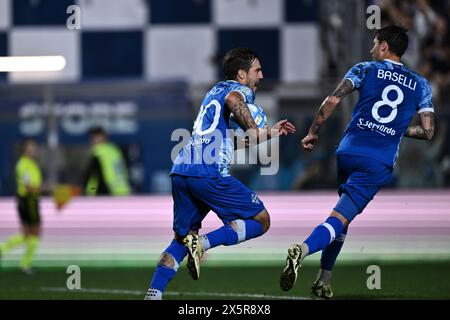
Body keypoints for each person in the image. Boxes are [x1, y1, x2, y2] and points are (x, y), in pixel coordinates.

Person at [280, 25, 435, 298]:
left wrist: (313, 131)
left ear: (385, 46)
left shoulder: (365, 69)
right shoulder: (420, 84)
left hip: (349, 150)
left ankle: (323, 280)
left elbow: (332, 101)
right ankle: (301, 250)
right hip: (378, 160)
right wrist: (399, 130)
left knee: (343, 218)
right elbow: (428, 131)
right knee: (339, 217)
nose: (371, 48)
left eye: (375, 43)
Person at [145, 48, 296, 300]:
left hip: (182, 170)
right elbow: (235, 100)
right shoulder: (238, 92)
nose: (261, 76)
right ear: (241, 74)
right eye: (256, 70)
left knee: (180, 240)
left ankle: (153, 294)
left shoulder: (214, 90)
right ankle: (202, 244)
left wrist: (268, 132)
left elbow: (235, 141)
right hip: (208, 172)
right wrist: (255, 127)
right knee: (261, 220)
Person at [0, 139, 43, 274]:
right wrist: (45, 188)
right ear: (24, 149)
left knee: (28, 234)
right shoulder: (23, 164)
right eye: (30, 147)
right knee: (33, 233)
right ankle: (25, 264)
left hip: (30, 201)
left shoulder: (31, 164)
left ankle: (21, 261)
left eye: (34, 147)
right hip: (27, 201)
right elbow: (28, 186)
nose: (33, 150)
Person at [83, 126, 131, 196]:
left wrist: (90, 192)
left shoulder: (97, 152)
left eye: (96, 137)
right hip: (122, 191)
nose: (95, 139)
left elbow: (93, 177)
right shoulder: (114, 150)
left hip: (106, 193)